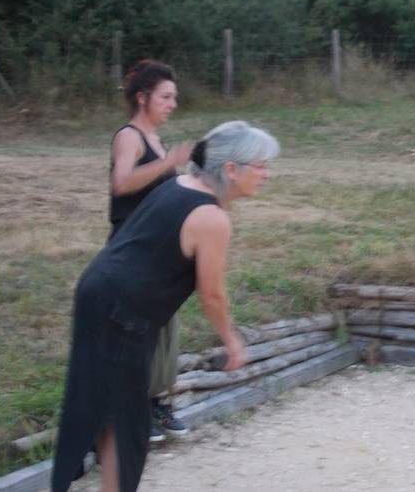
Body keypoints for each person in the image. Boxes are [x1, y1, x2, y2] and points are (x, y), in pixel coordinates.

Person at [52, 121, 280, 491]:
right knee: (128, 421)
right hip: (122, 313)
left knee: (109, 410)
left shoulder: (179, 185)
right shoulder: (212, 218)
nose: (268, 174)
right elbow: (213, 294)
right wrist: (232, 339)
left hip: (98, 292)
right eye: (261, 165)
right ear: (231, 169)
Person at [110, 60, 190, 442]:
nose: (173, 103)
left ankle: (157, 403)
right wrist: (168, 163)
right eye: (166, 96)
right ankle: (133, 410)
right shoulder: (130, 137)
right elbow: (121, 183)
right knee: (138, 332)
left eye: (174, 97)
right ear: (142, 98)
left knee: (163, 332)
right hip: (131, 252)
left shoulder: (157, 141)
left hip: (157, 252)